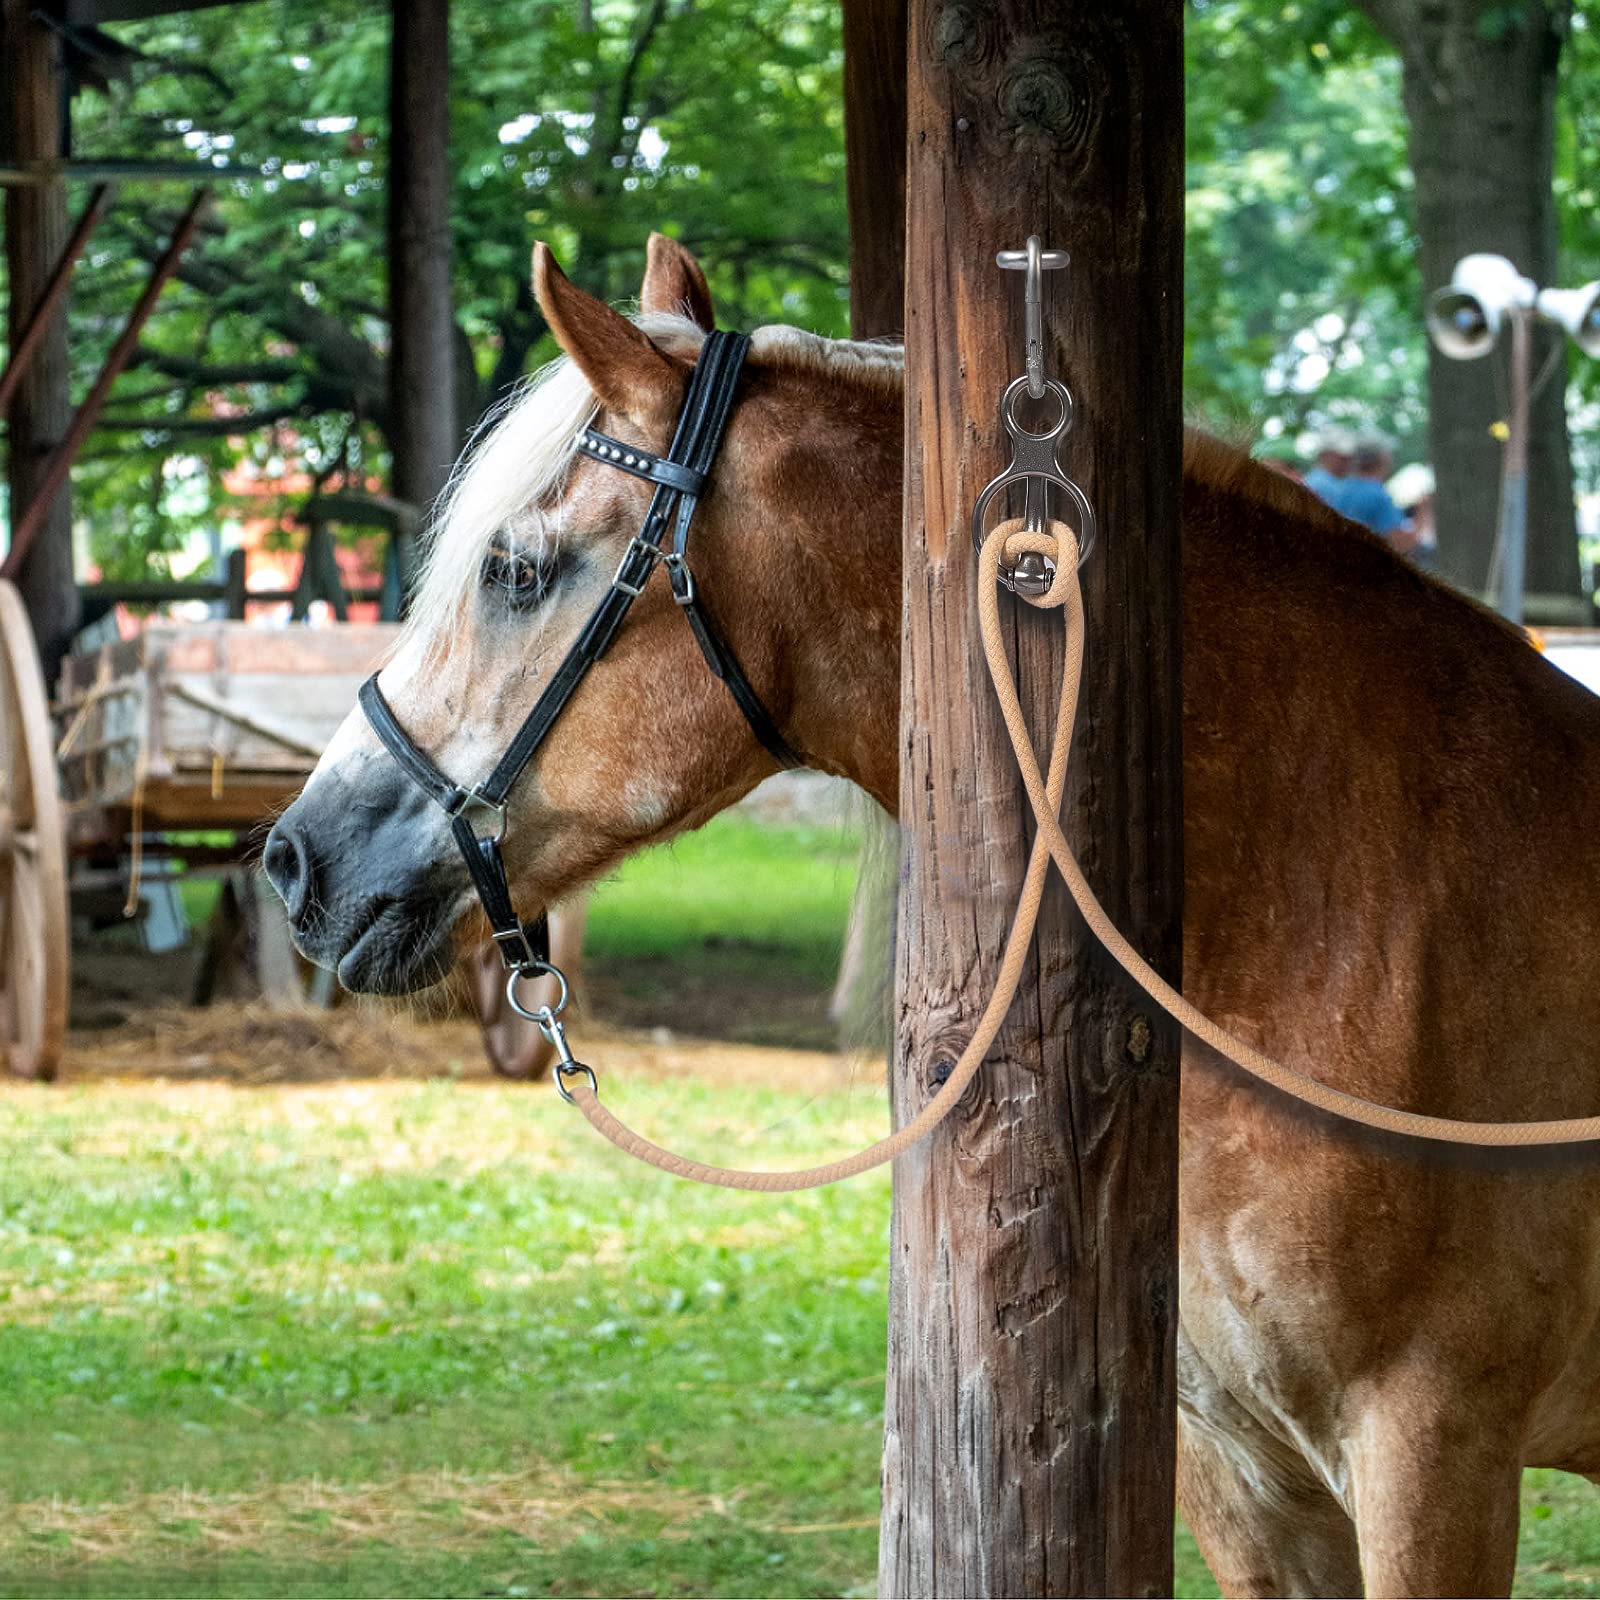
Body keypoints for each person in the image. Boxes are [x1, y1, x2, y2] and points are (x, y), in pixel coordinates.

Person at [1323, 436, 1420, 554]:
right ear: (1383, 459)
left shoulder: (1342, 490)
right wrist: (1424, 513)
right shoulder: (1377, 495)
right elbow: (1402, 544)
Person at [1303, 426, 1355, 504]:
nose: (1348, 460)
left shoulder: (1317, 480)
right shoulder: (1322, 485)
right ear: (1325, 455)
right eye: (1342, 457)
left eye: (1349, 457)